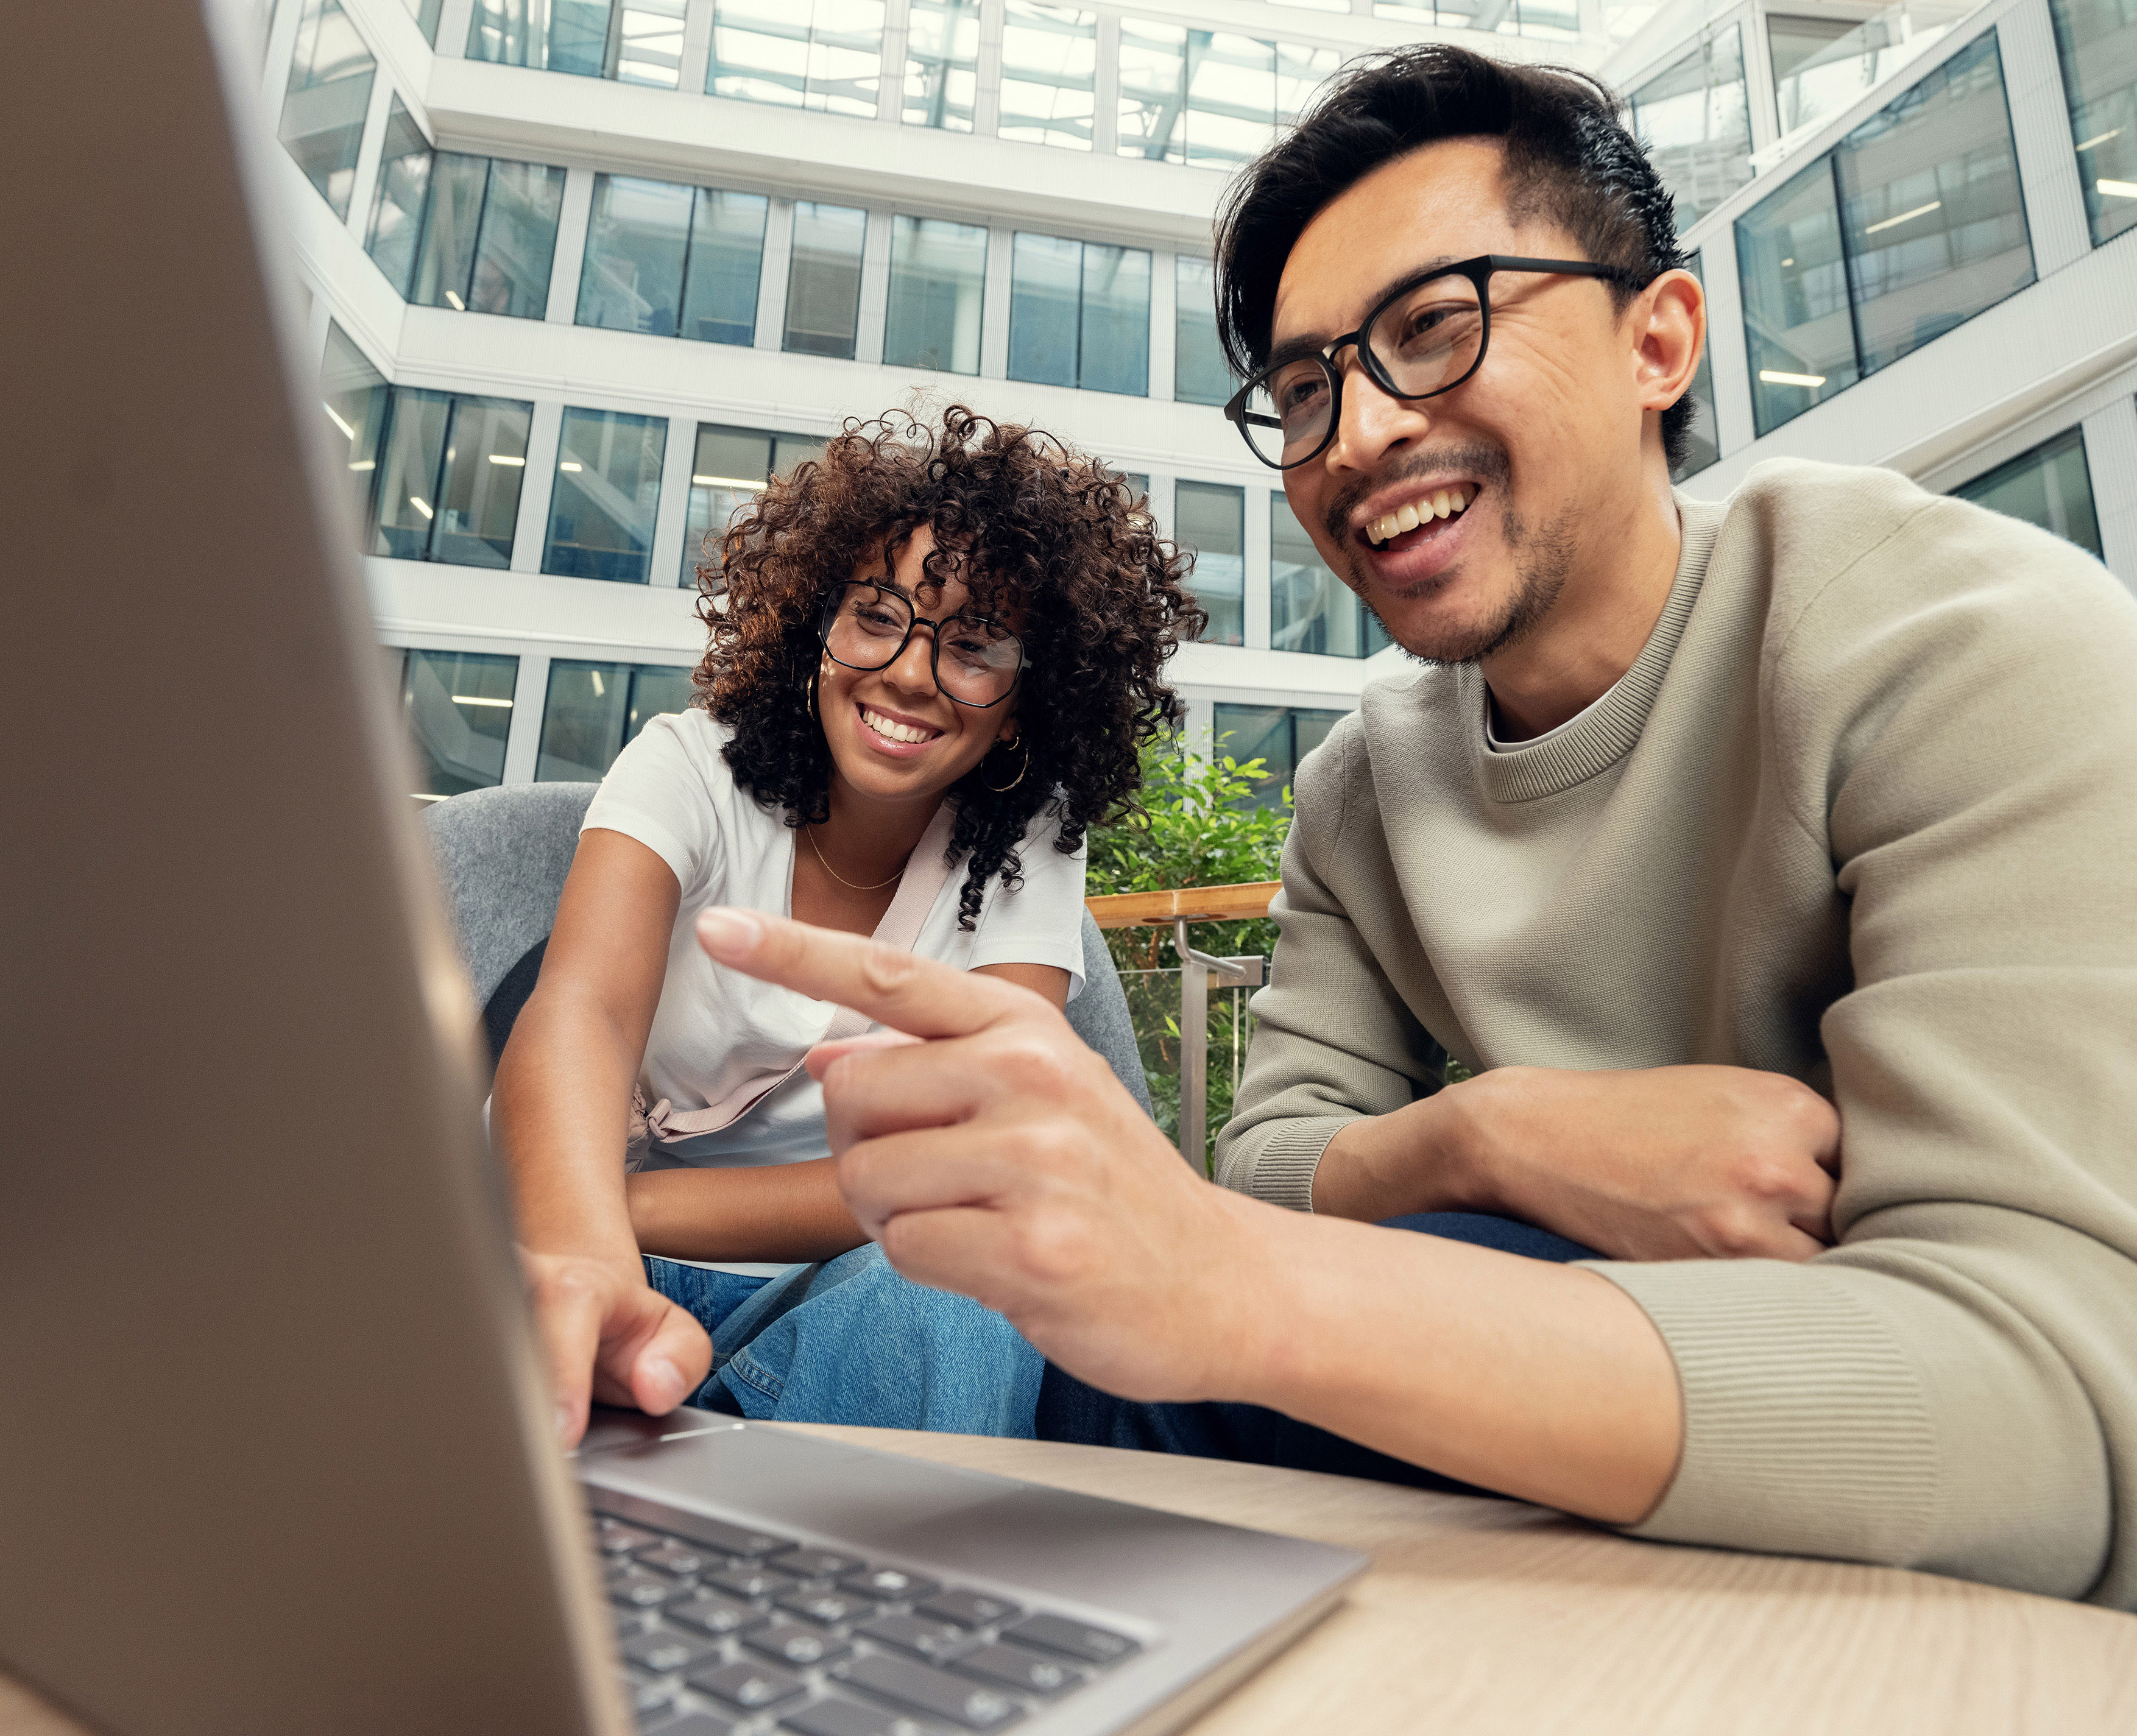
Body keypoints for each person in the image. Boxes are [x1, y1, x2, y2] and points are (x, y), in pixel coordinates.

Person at [655, 46, 2137, 1608]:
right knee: (1076, 1358)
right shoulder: (1366, 783)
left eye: (1435, 328)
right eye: (1303, 390)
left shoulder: (1960, 638)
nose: (1354, 435)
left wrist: (1240, 1282)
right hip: (1578, 1429)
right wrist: (1493, 1137)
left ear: (1661, 339)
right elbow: (1276, 1159)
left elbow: (2061, 1405)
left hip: (1915, 1490)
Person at [493, 407, 1199, 1446]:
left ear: (1026, 698)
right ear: (812, 623)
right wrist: (592, 1244)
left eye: (974, 646)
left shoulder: (1028, 841)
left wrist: (629, 1208)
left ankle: (833, 1588)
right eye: (876, 615)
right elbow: (581, 1012)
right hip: (584, 1250)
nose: (911, 672)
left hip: (831, 1287)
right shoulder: (689, 765)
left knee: (970, 1283)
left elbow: (977, 1160)